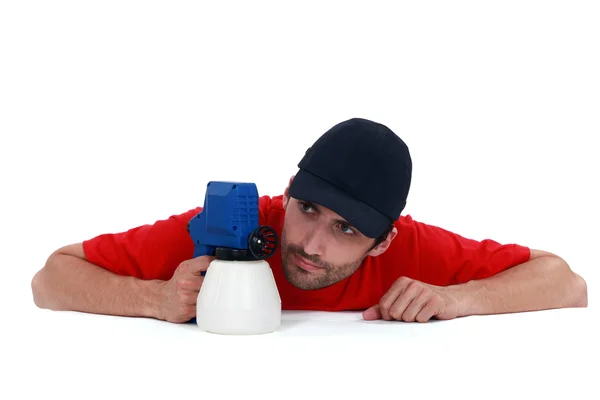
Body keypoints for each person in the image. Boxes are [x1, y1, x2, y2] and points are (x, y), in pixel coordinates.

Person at [31, 118, 588, 323]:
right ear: (289, 191)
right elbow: (50, 277)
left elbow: (567, 281)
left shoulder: (411, 251)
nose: (311, 244)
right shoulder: (229, 224)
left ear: (382, 242)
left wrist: (456, 299)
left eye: (347, 229)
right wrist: (152, 299)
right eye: (308, 210)